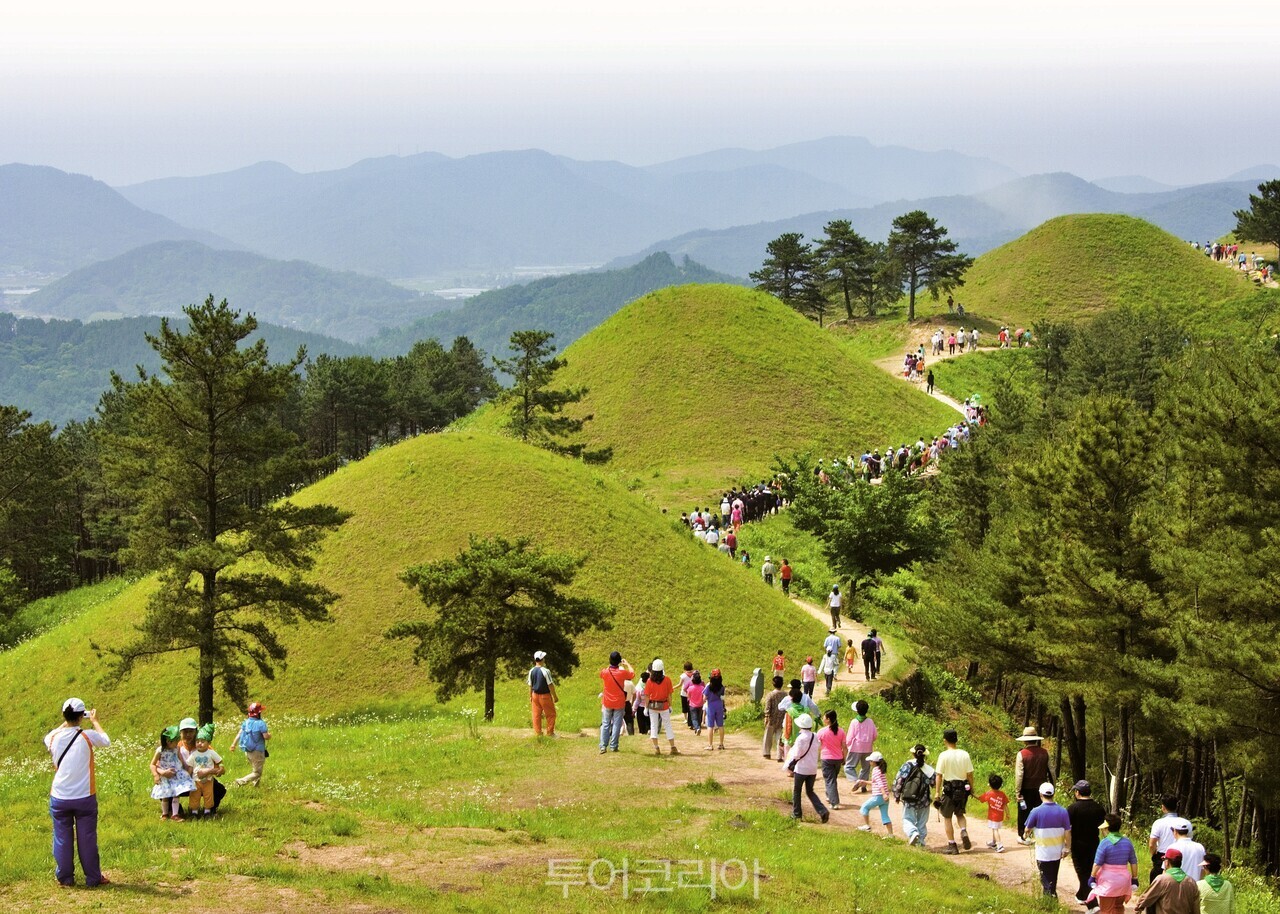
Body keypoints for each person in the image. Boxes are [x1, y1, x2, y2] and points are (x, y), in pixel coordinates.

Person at [45, 698, 111, 887]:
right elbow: (106, 741)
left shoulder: (52, 737)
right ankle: (93, 878)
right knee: (87, 838)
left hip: (59, 796)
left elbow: (54, 733)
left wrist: (67, 720)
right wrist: (95, 721)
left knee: (62, 837)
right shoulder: (88, 735)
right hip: (84, 796)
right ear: (82, 716)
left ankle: (65, 878)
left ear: (64, 715)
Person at [1025, 782, 1072, 897]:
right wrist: (1067, 848)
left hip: (1043, 852)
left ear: (1040, 794)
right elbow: (1067, 831)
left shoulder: (1036, 811)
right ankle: (1051, 898)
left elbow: (1027, 829)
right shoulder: (1063, 811)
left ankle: (1049, 901)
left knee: (1045, 880)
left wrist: (1026, 835)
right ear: (1053, 794)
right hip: (1057, 852)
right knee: (1053, 877)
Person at [1067, 779, 1107, 908]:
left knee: (1082, 873)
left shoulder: (1073, 808)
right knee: (1090, 871)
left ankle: (1092, 904)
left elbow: (1067, 829)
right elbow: (1104, 829)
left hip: (1078, 845)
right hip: (1094, 844)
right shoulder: (1099, 808)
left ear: (1078, 792)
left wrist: (1066, 845)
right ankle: (1081, 895)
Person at [934, 728, 974, 855]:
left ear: (944, 740)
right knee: (960, 814)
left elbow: (939, 775)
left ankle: (952, 844)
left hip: (949, 790)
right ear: (956, 740)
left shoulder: (943, 755)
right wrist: (971, 788)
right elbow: (970, 774)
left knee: (947, 817)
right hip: (962, 789)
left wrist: (936, 792)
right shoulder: (965, 754)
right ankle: (963, 830)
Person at [1090, 813, 1140, 914]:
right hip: (1123, 882)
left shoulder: (1104, 843)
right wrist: (1134, 878)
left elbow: (1097, 864)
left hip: (1108, 883)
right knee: (1118, 908)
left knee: (1106, 910)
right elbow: (1133, 862)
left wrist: (1092, 876)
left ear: (1107, 828)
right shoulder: (1127, 842)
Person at [785, 713, 829, 823]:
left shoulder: (801, 738)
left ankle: (797, 814)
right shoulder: (815, 736)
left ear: (800, 725)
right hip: (812, 769)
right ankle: (822, 810)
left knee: (797, 791)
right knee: (810, 791)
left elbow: (797, 754)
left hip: (801, 769)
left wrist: (790, 762)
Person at [1014, 726, 1052, 843]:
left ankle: (1024, 836)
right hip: (1041, 788)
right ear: (1036, 739)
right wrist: (1051, 786)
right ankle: (1039, 835)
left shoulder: (1022, 754)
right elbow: (1052, 771)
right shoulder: (1045, 753)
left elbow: (1019, 775)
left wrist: (1017, 791)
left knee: (1024, 812)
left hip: (1026, 788)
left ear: (1025, 740)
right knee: (1041, 811)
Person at [150, 725, 195, 821]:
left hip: (176, 775)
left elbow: (181, 760)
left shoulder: (177, 748)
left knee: (176, 794)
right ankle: (164, 814)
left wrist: (187, 768)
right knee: (165, 796)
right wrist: (156, 775)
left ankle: (175, 814)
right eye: (175, 741)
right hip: (165, 776)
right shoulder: (160, 751)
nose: (177, 743)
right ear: (168, 741)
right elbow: (153, 764)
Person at [894, 743, 935, 846]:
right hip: (924, 799)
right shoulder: (929, 769)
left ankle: (913, 833)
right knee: (922, 821)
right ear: (925, 755)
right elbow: (934, 783)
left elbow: (899, 780)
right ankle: (920, 841)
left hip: (909, 798)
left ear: (913, 754)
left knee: (907, 818)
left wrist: (897, 795)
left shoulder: (907, 765)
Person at [1136, 847, 1200, 913]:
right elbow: (1196, 907)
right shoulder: (1191, 882)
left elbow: (1147, 898)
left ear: (1167, 862)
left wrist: (1138, 908)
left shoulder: (1162, 879)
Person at [599, 651, 634, 754]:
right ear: (619, 661)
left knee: (606, 723)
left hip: (607, 701)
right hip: (619, 701)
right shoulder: (622, 673)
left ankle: (603, 746)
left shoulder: (605, 672)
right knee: (617, 724)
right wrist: (627, 664)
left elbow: (602, 674)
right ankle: (614, 746)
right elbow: (632, 674)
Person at [230, 702, 271, 787]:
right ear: (258, 713)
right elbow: (266, 737)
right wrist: (269, 735)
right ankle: (241, 781)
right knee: (257, 773)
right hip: (257, 751)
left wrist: (233, 745)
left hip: (247, 750)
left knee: (255, 769)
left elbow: (239, 734)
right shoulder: (261, 723)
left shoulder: (246, 722)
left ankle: (256, 787)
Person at [644, 659, 680, 756]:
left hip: (652, 706)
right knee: (668, 725)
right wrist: (670, 705)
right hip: (664, 706)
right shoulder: (667, 680)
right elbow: (669, 695)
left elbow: (647, 696)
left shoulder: (649, 681)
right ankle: (672, 747)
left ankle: (656, 748)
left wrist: (645, 707)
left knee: (653, 726)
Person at [188, 724, 224, 817]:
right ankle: (194, 812)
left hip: (208, 780)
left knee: (208, 795)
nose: (199, 743)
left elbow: (219, 761)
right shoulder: (194, 754)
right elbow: (190, 766)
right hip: (196, 780)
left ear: (209, 743)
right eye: (197, 741)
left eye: (202, 741)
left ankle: (207, 811)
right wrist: (188, 775)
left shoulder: (211, 753)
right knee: (195, 795)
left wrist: (221, 767)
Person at [853, 751, 893, 836]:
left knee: (864, 807)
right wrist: (864, 782)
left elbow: (879, 783)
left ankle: (867, 826)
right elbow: (875, 782)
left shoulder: (875, 770)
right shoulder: (881, 770)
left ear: (874, 762)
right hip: (885, 798)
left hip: (879, 796)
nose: (869, 762)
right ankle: (890, 834)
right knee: (885, 816)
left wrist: (883, 794)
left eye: (870, 761)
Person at [844, 699, 877, 790]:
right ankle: (863, 785)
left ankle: (856, 780)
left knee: (849, 766)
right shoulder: (870, 721)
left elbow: (850, 736)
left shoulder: (854, 722)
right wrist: (870, 741)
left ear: (857, 710)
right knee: (866, 767)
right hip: (868, 747)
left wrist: (848, 745)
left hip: (856, 747)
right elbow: (875, 735)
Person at [1149, 794, 1182, 881]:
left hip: (1162, 856)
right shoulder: (1185, 823)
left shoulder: (1158, 823)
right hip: (1180, 857)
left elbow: (1152, 844)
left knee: (1156, 884)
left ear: (1163, 807)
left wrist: (1153, 855)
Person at [818, 710, 846, 809]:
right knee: (832, 779)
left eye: (824, 717)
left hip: (826, 758)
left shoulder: (822, 732)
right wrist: (844, 758)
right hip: (838, 758)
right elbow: (844, 747)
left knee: (830, 780)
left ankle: (834, 802)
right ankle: (829, 796)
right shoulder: (841, 731)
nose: (823, 719)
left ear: (828, 719)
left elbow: (817, 745)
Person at [527, 651, 558, 737]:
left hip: (534, 694)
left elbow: (530, 685)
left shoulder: (531, 671)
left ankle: (538, 733)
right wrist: (554, 696)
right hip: (545, 695)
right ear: (542, 659)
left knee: (536, 715)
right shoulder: (545, 671)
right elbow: (550, 684)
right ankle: (550, 732)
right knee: (551, 714)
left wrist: (530, 696)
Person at [977, 773, 1009, 852]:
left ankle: (999, 845)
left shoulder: (989, 793)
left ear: (990, 785)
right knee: (995, 828)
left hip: (993, 816)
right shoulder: (1002, 794)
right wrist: (1008, 814)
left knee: (995, 830)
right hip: (1000, 816)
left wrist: (971, 793)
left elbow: (980, 799)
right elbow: (1005, 805)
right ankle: (994, 842)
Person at [1167, 819, 1205, 884]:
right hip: (1195, 887)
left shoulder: (1172, 848)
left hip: (1177, 887)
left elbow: (1166, 870)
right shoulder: (1200, 847)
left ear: (1175, 831)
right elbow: (1202, 871)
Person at [762, 675, 787, 760]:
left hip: (771, 718)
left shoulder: (770, 695)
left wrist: (766, 717)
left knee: (768, 736)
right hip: (782, 718)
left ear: (773, 684)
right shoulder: (785, 694)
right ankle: (779, 755)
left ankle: (766, 753)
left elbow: (768, 707)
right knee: (779, 737)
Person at [704, 669, 726, 750]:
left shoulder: (709, 687)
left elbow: (704, 698)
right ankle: (721, 744)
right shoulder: (722, 687)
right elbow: (723, 698)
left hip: (711, 706)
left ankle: (710, 745)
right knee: (720, 725)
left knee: (710, 726)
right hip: (719, 706)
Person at [633, 670, 651, 736]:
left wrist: (634, 710)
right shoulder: (650, 687)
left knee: (642, 725)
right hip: (649, 707)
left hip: (640, 708)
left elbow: (637, 700)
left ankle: (643, 733)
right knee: (648, 724)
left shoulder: (639, 688)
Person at [679, 661, 695, 730]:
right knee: (690, 707)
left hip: (684, 693)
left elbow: (680, 684)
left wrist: (673, 687)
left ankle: (685, 719)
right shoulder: (694, 674)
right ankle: (690, 719)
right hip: (692, 693)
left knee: (684, 707)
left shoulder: (683, 675)